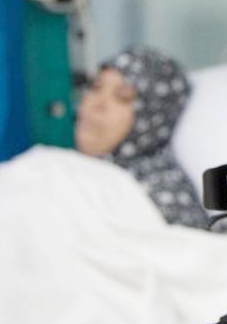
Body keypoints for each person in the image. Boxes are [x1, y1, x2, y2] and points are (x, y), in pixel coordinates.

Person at [75, 46, 209, 228]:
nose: (96, 104)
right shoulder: (73, 172)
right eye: (96, 87)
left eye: (122, 96)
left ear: (153, 116)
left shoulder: (164, 199)